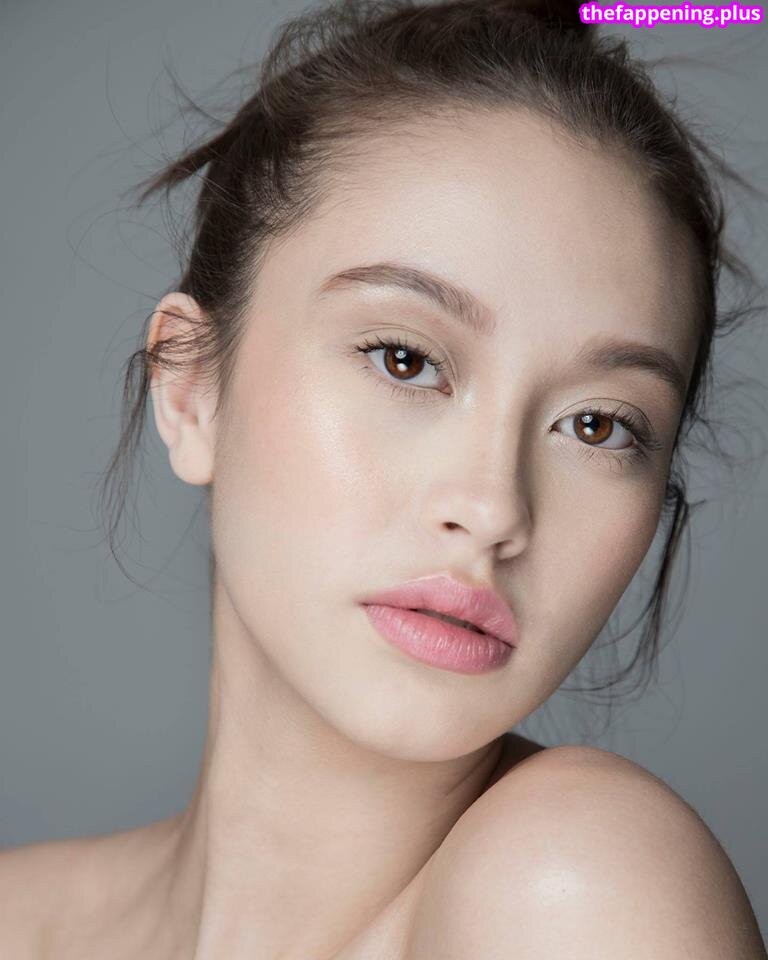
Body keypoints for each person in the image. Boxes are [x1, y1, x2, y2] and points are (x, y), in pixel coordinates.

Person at [1, 0, 766, 955]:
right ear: (191, 388)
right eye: (405, 360)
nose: (491, 508)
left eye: (598, 425)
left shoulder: (576, 889)